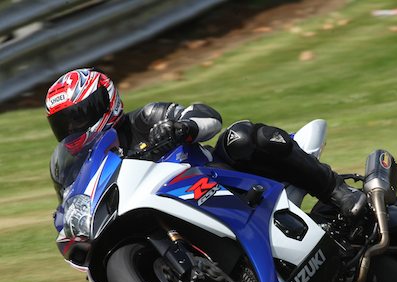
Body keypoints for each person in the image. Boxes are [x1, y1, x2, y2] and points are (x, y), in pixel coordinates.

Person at [47, 68, 366, 216]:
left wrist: (181, 127)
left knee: (241, 137)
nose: (73, 128)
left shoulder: (144, 118)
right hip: (165, 209)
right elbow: (74, 198)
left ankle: (337, 190)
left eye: (79, 116)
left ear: (107, 102)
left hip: (219, 179)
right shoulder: (80, 164)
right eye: (65, 123)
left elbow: (209, 116)